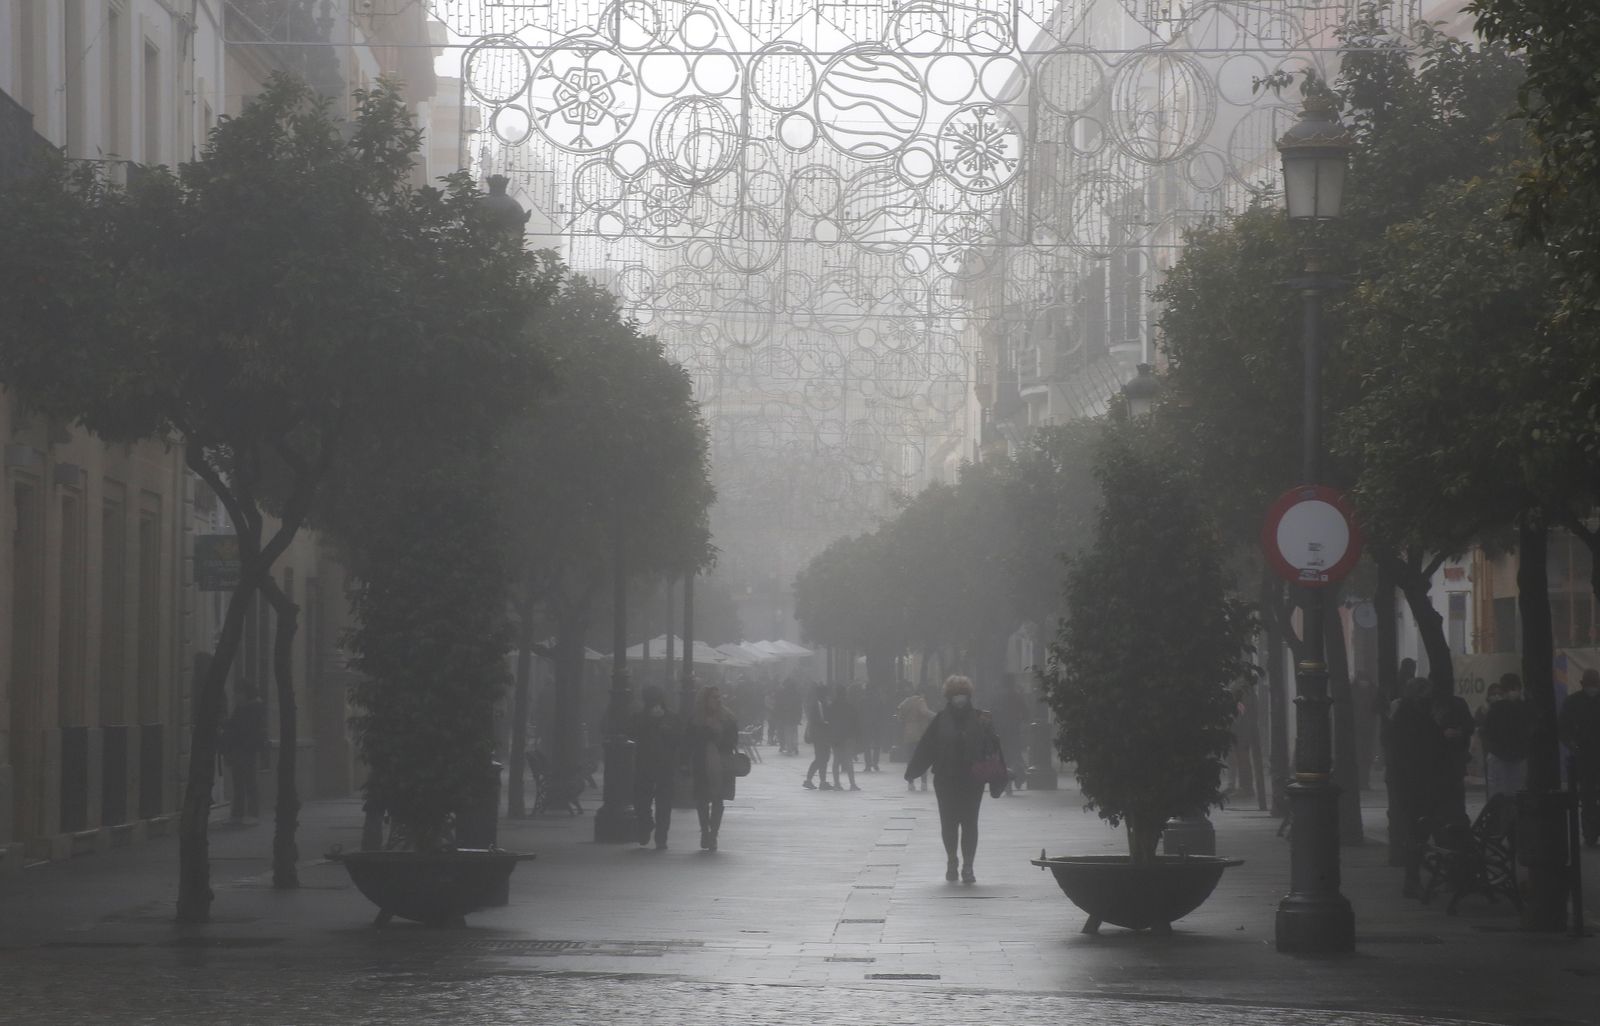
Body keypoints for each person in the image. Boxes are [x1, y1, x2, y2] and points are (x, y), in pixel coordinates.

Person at [905, 675, 1005, 883]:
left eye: (963, 694)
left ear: (969, 696)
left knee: (970, 823)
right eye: (956, 695)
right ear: (949, 697)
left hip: (972, 779)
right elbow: (927, 747)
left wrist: (999, 775)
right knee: (948, 823)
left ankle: (968, 866)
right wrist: (913, 771)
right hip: (946, 779)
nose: (960, 698)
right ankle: (952, 860)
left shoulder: (982, 718)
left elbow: (994, 748)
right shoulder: (940, 720)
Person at [1388, 676, 1445, 897]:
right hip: (1416, 783)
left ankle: (1413, 880)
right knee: (1417, 832)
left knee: (1416, 831)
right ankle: (1413, 880)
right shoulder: (1415, 717)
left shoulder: (1405, 715)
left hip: (1411, 783)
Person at [688, 684, 739, 851]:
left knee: (718, 799)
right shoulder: (696, 718)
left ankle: (713, 834)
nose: (718, 700)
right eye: (714, 697)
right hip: (702, 762)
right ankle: (705, 830)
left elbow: (733, 740)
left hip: (722, 763)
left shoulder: (728, 718)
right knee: (702, 799)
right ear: (705, 700)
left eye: (719, 697)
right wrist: (707, 731)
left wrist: (718, 734)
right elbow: (690, 740)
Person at [629, 685, 681, 850]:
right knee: (642, 801)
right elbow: (632, 732)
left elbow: (677, 739)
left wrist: (664, 729)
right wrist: (651, 720)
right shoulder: (640, 717)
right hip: (645, 763)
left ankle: (661, 836)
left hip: (664, 764)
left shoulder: (671, 717)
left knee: (663, 803)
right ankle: (647, 826)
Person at [1559, 668, 1600, 846]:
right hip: (1584, 756)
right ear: (1583, 684)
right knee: (1588, 797)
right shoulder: (1573, 702)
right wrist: (1572, 744)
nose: (1592, 688)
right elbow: (1563, 728)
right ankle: (1590, 834)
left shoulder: (1573, 701)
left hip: (1588, 754)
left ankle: (1591, 833)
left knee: (1588, 796)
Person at [221, 683, 268, 824]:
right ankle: (238, 814)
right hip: (238, 749)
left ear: (246, 693)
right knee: (238, 783)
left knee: (249, 781)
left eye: (238, 693)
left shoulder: (254, 708)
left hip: (248, 749)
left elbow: (251, 729)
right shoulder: (241, 708)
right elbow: (233, 725)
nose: (236, 696)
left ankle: (252, 814)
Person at [1481, 674, 1530, 798]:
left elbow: (1487, 732)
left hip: (1499, 755)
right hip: (1517, 756)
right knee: (1517, 792)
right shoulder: (1524, 708)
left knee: (1498, 794)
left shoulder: (1496, 708)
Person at [994, 677, 1030, 795]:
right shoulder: (1017, 696)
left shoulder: (997, 696)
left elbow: (992, 713)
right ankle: (1018, 777)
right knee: (1015, 757)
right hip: (1014, 731)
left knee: (1004, 758)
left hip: (1000, 732)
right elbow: (1026, 713)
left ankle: (1007, 783)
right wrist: (1021, 721)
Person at [896, 687, 934, 791]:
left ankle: (910, 783)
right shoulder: (920, 700)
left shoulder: (906, 701)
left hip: (908, 733)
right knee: (922, 758)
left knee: (910, 759)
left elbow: (899, 716)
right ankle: (924, 783)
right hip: (919, 733)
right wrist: (936, 716)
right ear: (921, 693)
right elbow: (924, 712)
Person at [830, 683, 860, 790]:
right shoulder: (849, 706)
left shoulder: (832, 706)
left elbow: (829, 722)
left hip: (836, 736)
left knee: (836, 760)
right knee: (848, 760)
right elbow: (855, 721)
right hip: (848, 736)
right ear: (845, 694)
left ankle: (837, 784)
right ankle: (852, 784)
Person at [803, 683, 833, 790]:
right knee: (822, 758)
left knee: (822, 758)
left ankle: (818, 781)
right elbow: (820, 720)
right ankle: (814, 780)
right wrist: (827, 723)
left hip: (818, 735)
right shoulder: (820, 704)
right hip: (822, 735)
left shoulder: (816, 704)